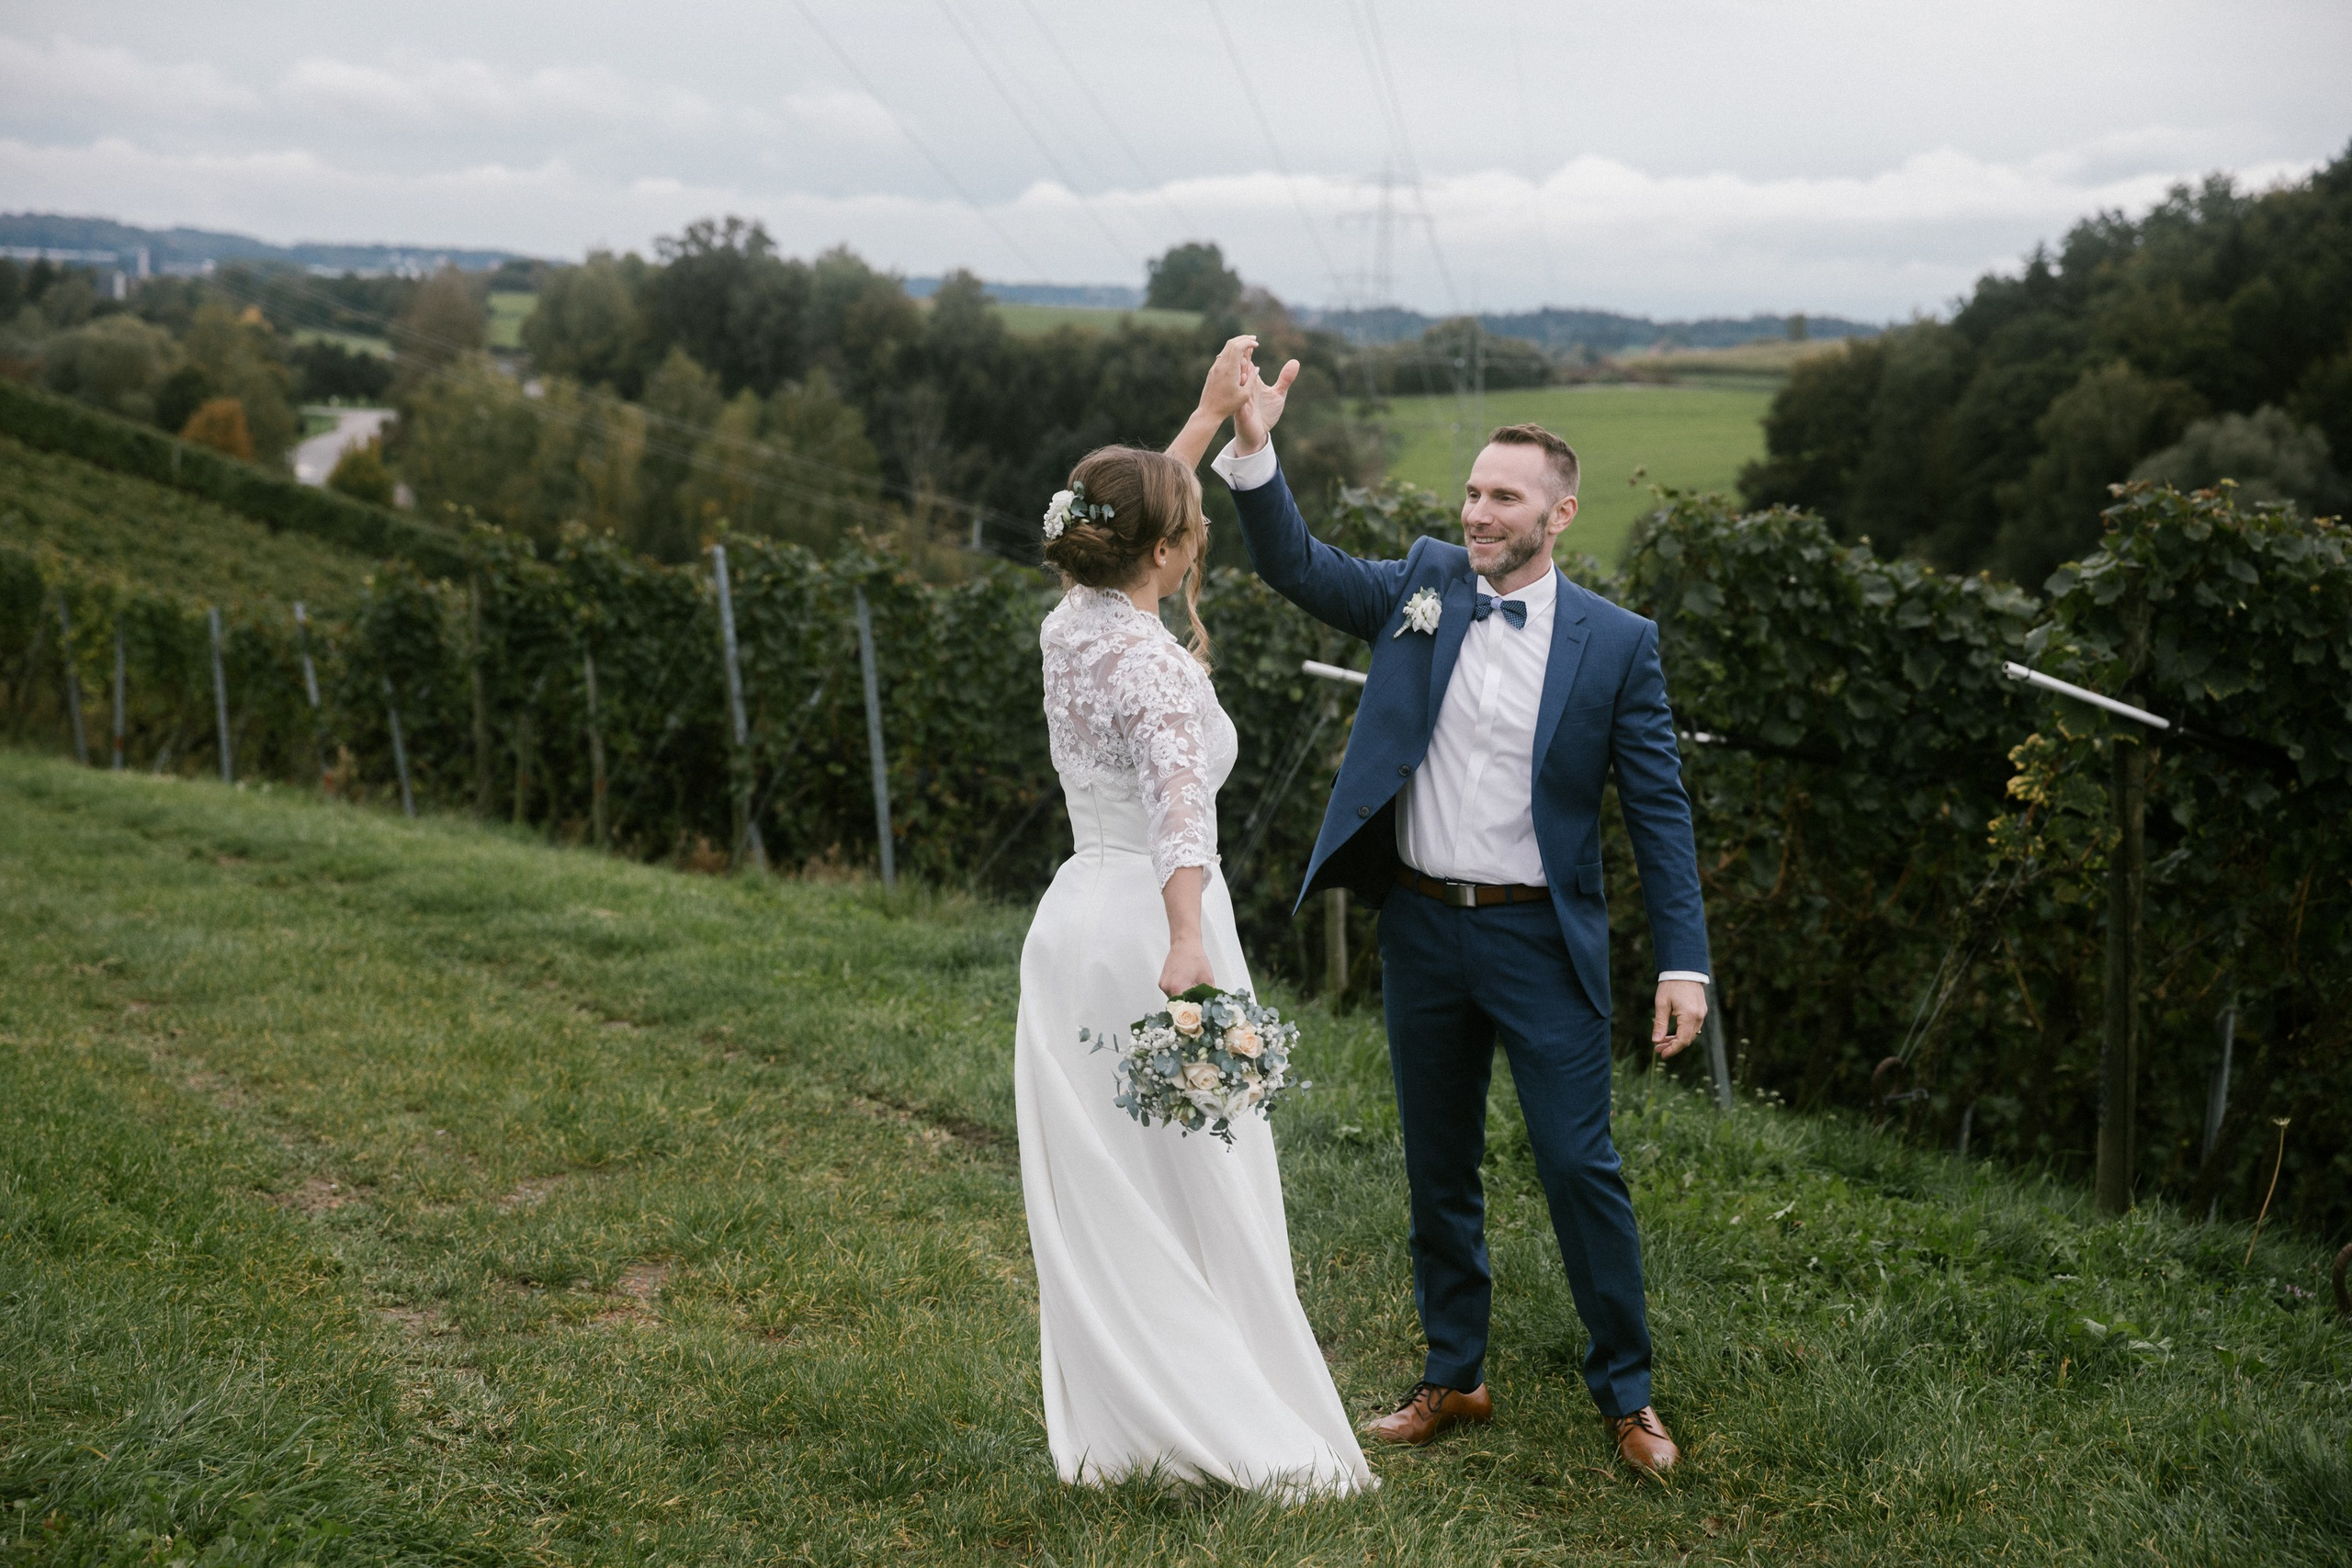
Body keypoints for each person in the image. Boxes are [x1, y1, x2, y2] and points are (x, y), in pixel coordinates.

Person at [1204, 338, 1712, 1476]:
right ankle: (1454, 1375)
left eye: (1504, 497)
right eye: (1473, 491)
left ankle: (1626, 1393)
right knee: (1439, 1164)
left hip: (1543, 938)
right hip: (1424, 928)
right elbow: (1296, 565)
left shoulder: (1619, 647)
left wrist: (1686, 961)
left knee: (1579, 1164)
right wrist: (1253, 446)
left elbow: (1660, 814)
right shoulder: (1422, 586)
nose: (1478, 512)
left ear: (1559, 514)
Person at [1009, 338, 1372, 1496]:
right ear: (1163, 553)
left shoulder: (1074, 619)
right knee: (1198, 1179)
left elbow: (1128, 520)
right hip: (1150, 935)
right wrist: (1186, 946)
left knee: (1117, 1186)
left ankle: (1130, 1416)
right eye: (1183, 535)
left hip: (1072, 924)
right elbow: (1182, 823)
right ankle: (1218, 1417)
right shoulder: (1156, 668)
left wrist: (1208, 419)